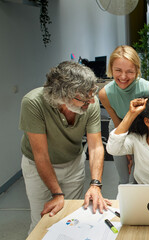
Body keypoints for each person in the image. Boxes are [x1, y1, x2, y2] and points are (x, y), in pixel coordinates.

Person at [19, 61, 110, 234]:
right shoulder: (33, 102)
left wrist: (95, 184)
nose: (91, 100)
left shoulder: (90, 102)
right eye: (83, 97)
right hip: (38, 167)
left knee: (69, 219)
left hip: (73, 163)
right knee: (43, 221)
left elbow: (96, 146)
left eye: (92, 93)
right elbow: (41, 155)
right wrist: (57, 194)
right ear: (61, 95)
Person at [98, 45, 149, 184]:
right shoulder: (105, 94)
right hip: (119, 127)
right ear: (111, 69)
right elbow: (117, 122)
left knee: (137, 175)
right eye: (118, 70)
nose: (123, 76)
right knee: (123, 176)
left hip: (142, 129)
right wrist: (125, 149)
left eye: (129, 71)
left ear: (137, 70)